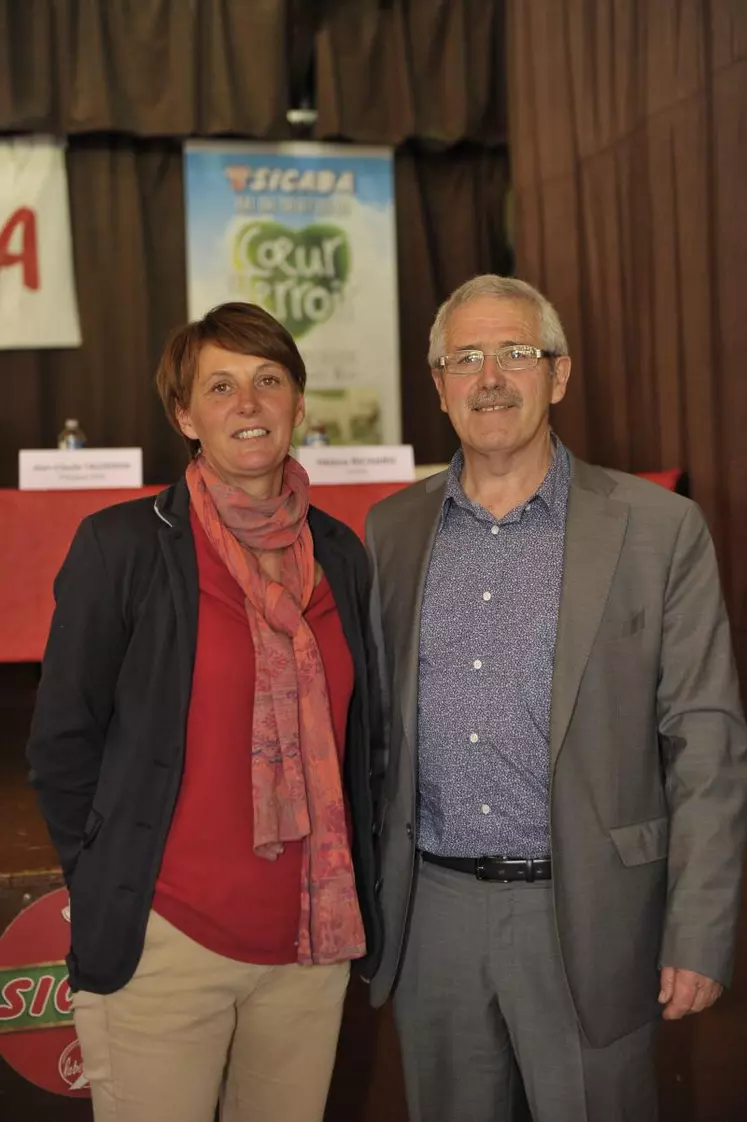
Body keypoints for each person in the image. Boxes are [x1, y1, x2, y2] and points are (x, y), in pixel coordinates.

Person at [365, 275, 747, 1122]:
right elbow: (375, 742)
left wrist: (697, 929)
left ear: (559, 374)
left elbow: (706, 746)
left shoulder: (657, 528)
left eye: (514, 353)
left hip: (591, 920)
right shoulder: (388, 532)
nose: (489, 377)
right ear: (437, 384)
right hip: (434, 918)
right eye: (464, 358)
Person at [26, 301, 382, 1122]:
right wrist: (118, 885)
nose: (247, 403)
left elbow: (370, 743)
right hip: (165, 944)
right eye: (219, 387)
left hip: (309, 944)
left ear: (298, 401)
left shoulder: (341, 556)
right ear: (185, 415)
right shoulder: (121, 548)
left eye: (268, 380)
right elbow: (63, 746)